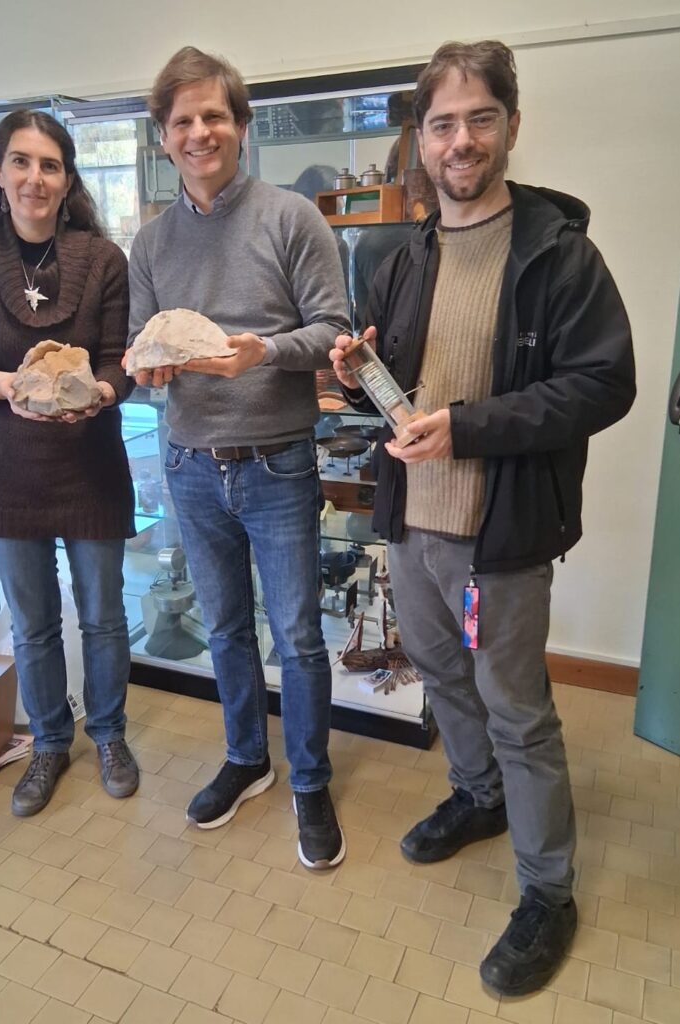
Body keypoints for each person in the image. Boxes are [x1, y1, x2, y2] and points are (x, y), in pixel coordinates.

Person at [330, 40, 635, 993]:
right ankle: (477, 796)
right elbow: (398, 395)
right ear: (419, 141)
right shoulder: (403, 255)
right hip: (412, 521)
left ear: (509, 126)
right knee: (438, 675)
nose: (459, 141)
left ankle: (547, 891)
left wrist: (465, 427)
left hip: (499, 534)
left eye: (478, 119)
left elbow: (603, 383)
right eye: (442, 124)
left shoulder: (558, 254)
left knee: (516, 707)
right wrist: (357, 378)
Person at [127, 46, 351, 869]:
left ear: (241, 126)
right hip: (190, 464)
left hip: (277, 460)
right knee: (224, 626)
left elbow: (333, 332)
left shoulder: (291, 218)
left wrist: (262, 352)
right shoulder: (151, 243)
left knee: (296, 633)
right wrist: (146, 368)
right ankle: (247, 758)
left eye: (213, 116)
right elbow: (141, 345)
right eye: (182, 121)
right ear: (163, 136)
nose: (199, 133)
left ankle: (310, 779)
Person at [0, 110, 139, 817]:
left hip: (91, 465)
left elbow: (119, 360)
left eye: (50, 165)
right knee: (33, 624)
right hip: (10, 471)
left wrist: (101, 392)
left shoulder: (103, 259)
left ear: (67, 178)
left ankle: (109, 734)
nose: (34, 178)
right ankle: (51, 742)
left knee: (104, 616)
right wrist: (12, 388)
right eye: (20, 162)